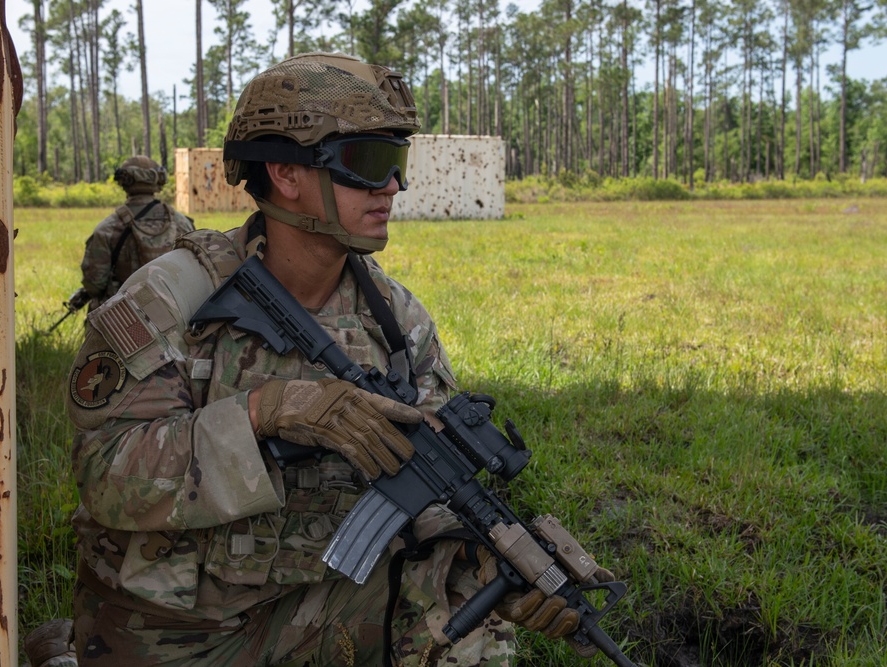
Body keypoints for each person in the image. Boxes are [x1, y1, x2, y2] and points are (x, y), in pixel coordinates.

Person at [63, 52, 607, 666]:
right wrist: (266, 412)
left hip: (321, 598)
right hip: (175, 627)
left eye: (397, 164)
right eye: (369, 164)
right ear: (286, 173)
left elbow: (426, 496)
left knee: (472, 627)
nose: (392, 188)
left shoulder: (396, 322)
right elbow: (105, 476)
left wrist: (488, 561)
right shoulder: (172, 299)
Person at [70, 156, 195, 312]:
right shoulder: (182, 223)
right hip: (175, 315)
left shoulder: (107, 228)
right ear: (158, 181)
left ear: (124, 181)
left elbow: (94, 284)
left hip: (121, 318)